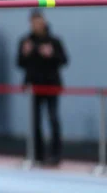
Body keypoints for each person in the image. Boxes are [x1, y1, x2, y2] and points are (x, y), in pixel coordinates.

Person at [17, 10, 68, 166]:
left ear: (44, 22)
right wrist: (25, 53)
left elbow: (64, 60)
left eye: (39, 22)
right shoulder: (26, 41)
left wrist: (51, 54)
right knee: (35, 121)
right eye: (33, 22)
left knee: (53, 119)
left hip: (51, 85)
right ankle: (37, 154)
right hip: (34, 86)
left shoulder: (54, 40)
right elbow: (19, 63)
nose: (36, 25)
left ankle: (56, 155)